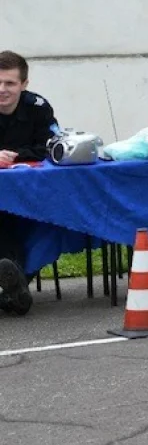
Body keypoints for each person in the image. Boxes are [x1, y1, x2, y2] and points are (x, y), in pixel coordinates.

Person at [0, 51, 59, 316]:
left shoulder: (38, 107)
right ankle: (15, 288)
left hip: (32, 193)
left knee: (50, 223)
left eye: (10, 83)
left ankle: (14, 287)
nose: (2, 90)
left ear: (24, 84)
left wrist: (16, 156)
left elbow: (52, 146)